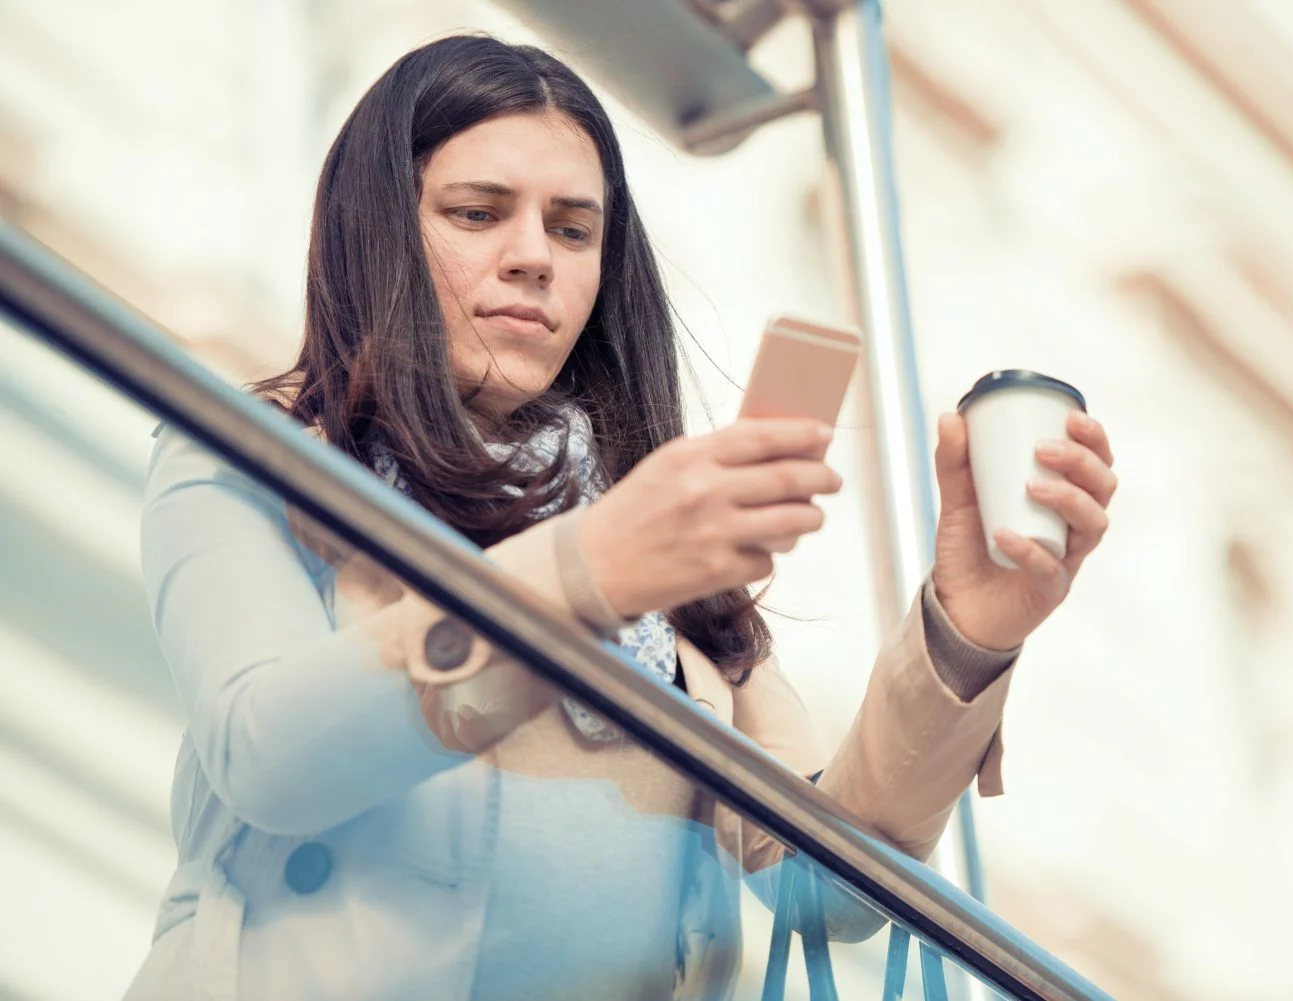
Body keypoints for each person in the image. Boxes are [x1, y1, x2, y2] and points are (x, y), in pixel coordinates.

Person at [125, 33, 1117, 1001]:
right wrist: (591, 570)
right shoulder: (254, 455)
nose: (532, 256)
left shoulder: (668, 561)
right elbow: (268, 753)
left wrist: (967, 632)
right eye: (477, 212)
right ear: (378, 230)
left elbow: (825, 886)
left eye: (572, 229)